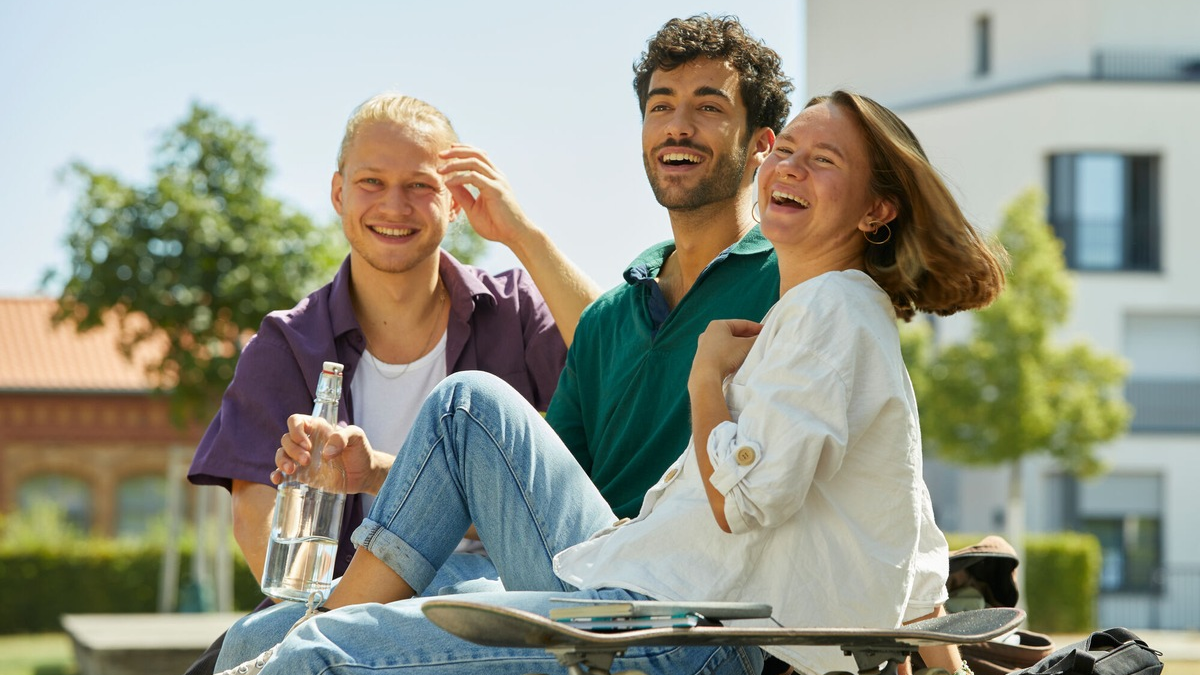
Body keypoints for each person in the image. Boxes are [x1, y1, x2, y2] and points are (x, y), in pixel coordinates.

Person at [216, 89, 1007, 675]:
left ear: (875, 210)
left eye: (822, 160)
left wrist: (705, 387)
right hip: (637, 591)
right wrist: (941, 661)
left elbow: (749, 499)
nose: (789, 169)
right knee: (465, 406)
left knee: (321, 649)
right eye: (788, 150)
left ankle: (310, 641)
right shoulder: (823, 311)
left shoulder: (830, 308)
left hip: (681, 637)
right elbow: (900, 516)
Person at [184, 93, 571, 674]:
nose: (395, 205)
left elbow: (618, 371)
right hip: (346, 595)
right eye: (371, 181)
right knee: (246, 644)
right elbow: (257, 524)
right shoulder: (287, 345)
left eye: (420, 185)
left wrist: (521, 233)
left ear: (457, 202)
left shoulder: (518, 311)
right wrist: (322, 609)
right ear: (338, 192)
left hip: (500, 588)